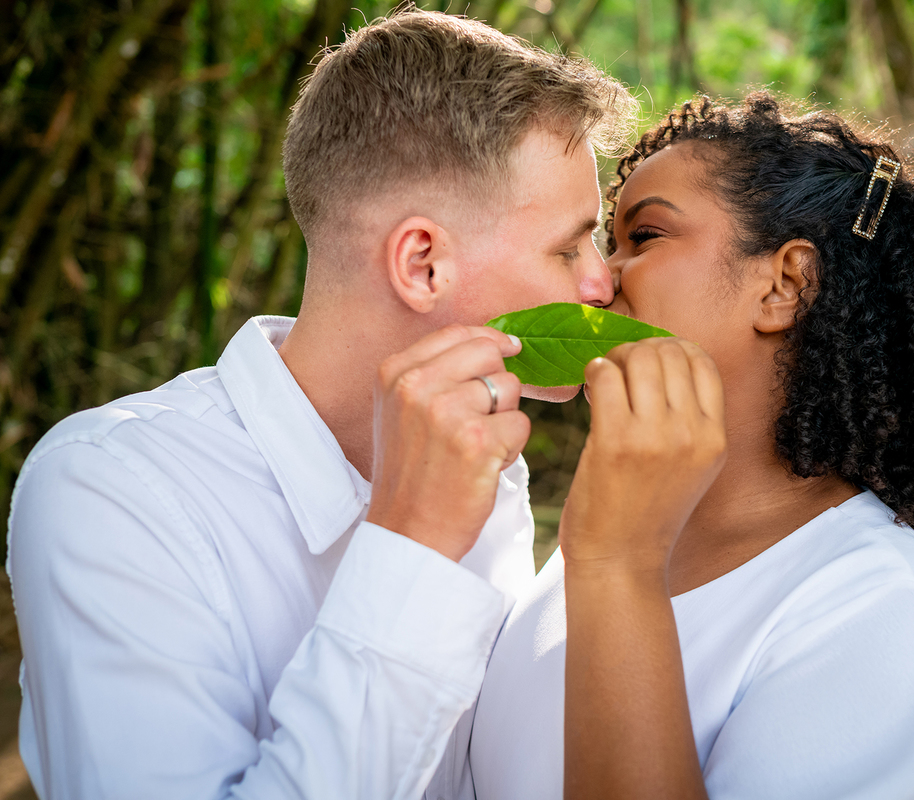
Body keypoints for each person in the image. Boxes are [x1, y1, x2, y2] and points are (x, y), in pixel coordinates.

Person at [6, 10, 635, 799]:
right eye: (570, 245)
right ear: (423, 263)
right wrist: (414, 544)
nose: (601, 283)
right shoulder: (110, 493)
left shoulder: (485, 464)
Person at [467, 94, 914, 799]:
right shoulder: (603, 543)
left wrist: (619, 566)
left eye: (645, 237)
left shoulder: (889, 618)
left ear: (784, 284)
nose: (595, 284)